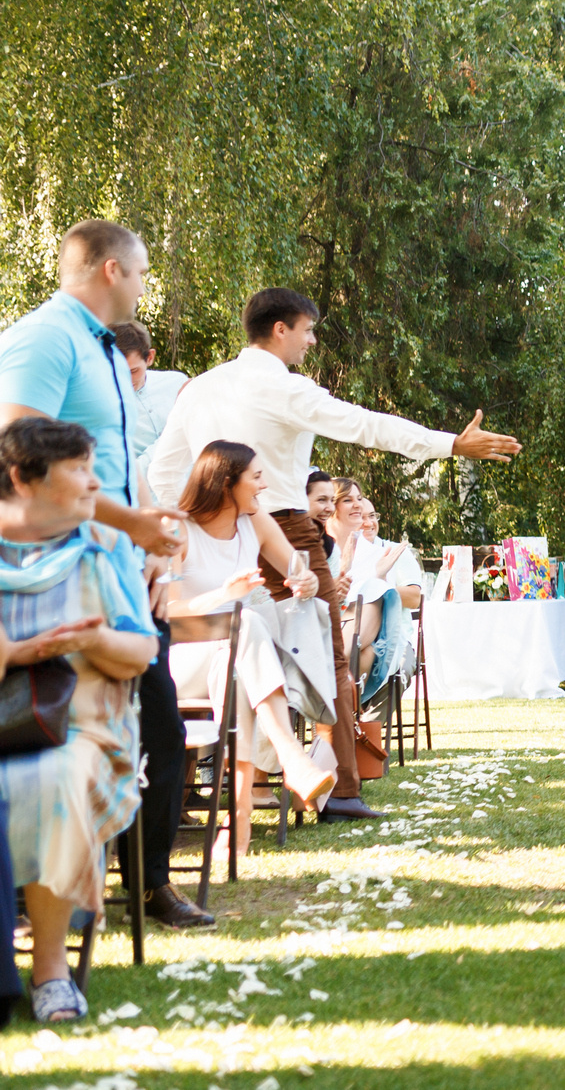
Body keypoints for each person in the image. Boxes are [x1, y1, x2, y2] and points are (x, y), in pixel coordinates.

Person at [148, 286, 522, 823]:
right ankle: (340, 790)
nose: (312, 340)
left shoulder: (199, 390)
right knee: (326, 655)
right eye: (307, 329)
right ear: (281, 330)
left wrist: (187, 527)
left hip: (210, 531)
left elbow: (163, 471)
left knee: (222, 644)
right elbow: (365, 424)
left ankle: (198, 785)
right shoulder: (285, 388)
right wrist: (451, 445)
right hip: (283, 531)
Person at [0, 220, 205, 929]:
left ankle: (147, 885)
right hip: (59, 573)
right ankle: (47, 894)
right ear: (112, 270)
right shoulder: (44, 337)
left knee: (157, 724)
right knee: (57, 725)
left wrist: (150, 536)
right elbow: (20, 456)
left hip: (121, 570)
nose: (146, 285)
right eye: (143, 272)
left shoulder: (107, 352)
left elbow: (116, 458)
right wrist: (129, 526)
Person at [0, 418, 160, 1022]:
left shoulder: (99, 554)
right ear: (23, 478)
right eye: (79, 469)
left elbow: (143, 651)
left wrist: (95, 640)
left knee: (54, 778)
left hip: (83, 731)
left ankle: (49, 972)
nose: (97, 482)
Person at [166, 441, 339, 854]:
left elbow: (298, 571)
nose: (265, 485)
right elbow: (165, 611)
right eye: (257, 476)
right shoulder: (178, 528)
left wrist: (306, 582)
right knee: (247, 623)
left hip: (233, 658)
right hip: (181, 659)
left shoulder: (255, 521)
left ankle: (239, 822)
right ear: (227, 483)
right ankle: (290, 756)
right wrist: (222, 596)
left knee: (240, 665)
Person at [329, 484, 425, 701]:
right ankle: (353, 716)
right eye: (361, 515)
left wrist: (380, 583)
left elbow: (414, 597)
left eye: (372, 515)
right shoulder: (329, 550)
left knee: (399, 663)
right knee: (366, 653)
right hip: (348, 633)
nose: (368, 522)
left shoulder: (393, 551)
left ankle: (363, 722)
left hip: (391, 635)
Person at [110, 321, 186, 470]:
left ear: (150, 357)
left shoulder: (177, 384)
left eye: (133, 371)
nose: (126, 380)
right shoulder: (102, 405)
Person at [306, 471, 341, 561]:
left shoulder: (330, 547)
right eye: (322, 500)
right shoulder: (280, 538)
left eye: (332, 500)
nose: (330, 508)